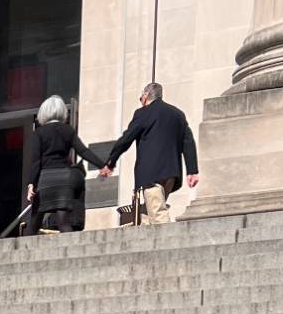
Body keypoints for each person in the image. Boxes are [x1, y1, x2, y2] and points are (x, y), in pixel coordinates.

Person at [100, 82, 198, 226]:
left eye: (141, 98)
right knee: (147, 213)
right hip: (171, 174)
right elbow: (188, 142)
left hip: (151, 173)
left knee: (158, 214)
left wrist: (110, 162)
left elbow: (126, 138)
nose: (141, 102)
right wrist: (192, 170)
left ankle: (167, 242)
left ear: (145, 96)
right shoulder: (177, 114)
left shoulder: (143, 113)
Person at [28, 95, 104, 234]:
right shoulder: (68, 130)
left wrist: (31, 184)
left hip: (45, 179)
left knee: (34, 222)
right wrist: (102, 165)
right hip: (64, 178)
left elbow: (35, 161)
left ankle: (22, 253)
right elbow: (83, 151)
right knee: (63, 221)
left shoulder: (39, 133)